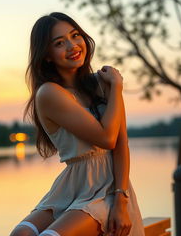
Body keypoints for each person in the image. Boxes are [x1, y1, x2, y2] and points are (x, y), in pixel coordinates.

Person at [10, 12, 145, 236]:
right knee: (20, 234)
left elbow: (120, 143)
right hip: (74, 185)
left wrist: (121, 200)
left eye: (75, 36)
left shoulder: (102, 84)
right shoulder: (50, 93)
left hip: (110, 187)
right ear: (47, 56)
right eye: (59, 43)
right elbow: (106, 137)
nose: (72, 46)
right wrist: (118, 87)